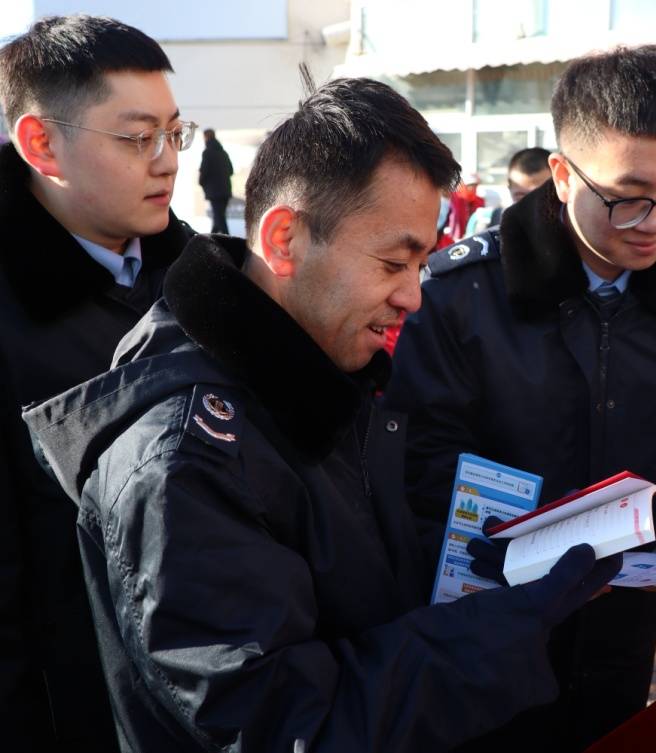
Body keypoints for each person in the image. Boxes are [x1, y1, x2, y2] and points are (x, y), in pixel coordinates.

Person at [22, 77, 621, 753]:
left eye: (422, 264)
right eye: (393, 263)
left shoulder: (321, 374)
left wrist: (480, 568)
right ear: (285, 239)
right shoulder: (184, 458)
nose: (413, 297)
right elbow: (286, 723)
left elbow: (349, 586)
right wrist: (496, 632)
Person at [384, 45, 656, 751]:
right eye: (628, 196)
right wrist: (521, 548)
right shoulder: (463, 297)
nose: (655, 221)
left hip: (621, 627)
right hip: (488, 623)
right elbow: (421, 456)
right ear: (560, 174)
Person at [0, 15, 194, 751]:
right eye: (137, 138)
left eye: (175, 133)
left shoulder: (207, 288)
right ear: (42, 144)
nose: (166, 162)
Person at [198, 127, 233, 233]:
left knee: (219, 217)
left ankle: (227, 239)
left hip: (214, 191)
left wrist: (201, 182)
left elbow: (204, 171)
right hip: (226, 190)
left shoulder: (207, 153)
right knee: (218, 216)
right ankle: (212, 237)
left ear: (206, 137)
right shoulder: (223, 153)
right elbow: (231, 170)